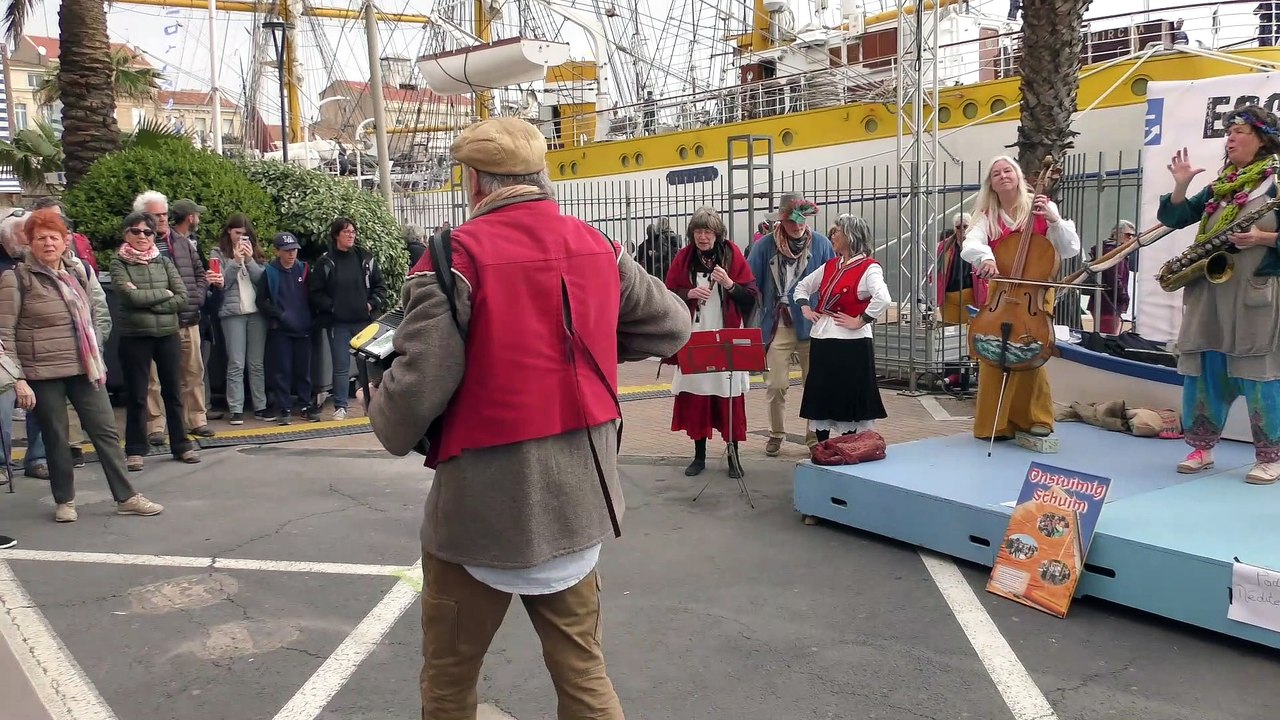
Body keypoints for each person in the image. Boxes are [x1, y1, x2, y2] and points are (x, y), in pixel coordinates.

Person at [365, 116, 690, 719]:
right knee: (584, 674)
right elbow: (672, 325)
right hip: (579, 501)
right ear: (542, 174)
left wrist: (379, 408)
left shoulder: (453, 258)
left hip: (481, 511)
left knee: (449, 681)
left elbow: (418, 387)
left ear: (474, 182)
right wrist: (589, 343)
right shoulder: (599, 245)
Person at [0, 209, 163, 521]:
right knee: (57, 438)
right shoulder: (16, 278)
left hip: (85, 367)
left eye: (54, 237)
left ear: (65, 241)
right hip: (43, 372)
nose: (48, 243)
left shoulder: (79, 271)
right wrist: (17, 379)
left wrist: (96, 349)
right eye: (40, 238)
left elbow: (94, 314)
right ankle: (65, 501)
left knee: (106, 433)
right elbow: (4, 333)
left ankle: (127, 496)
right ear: (30, 243)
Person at [1156, 105, 1280, 484]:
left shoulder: (1276, 184)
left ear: (1262, 139)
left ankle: (1270, 456)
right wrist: (1181, 185)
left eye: (1239, 131)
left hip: (1253, 293)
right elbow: (1175, 218)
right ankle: (1201, 448)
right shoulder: (1222, 185)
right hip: (1209, 292)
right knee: (1205, 369)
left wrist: (1262, 238)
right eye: (1228, 133)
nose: (1230, 138)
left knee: (1259, 373)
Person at [961, 155, 1081, 440]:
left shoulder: (1041, 207)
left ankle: (1035, 418)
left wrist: (1054, 220)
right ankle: (995, 424)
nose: (1003, 176)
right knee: (992, 353)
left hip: (1035, 295)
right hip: (1001, 293)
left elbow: (1069, 249)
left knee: (1029, 352)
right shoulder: (987, 216)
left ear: (1018, 176)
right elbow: (971, 243)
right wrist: (986, 258)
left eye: (1008, 171)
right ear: (991, 183)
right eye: (996, 173)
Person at [664, 207, 757, 478]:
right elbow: (668, 294)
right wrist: (689, 293)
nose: (702, 237)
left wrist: (729, 283)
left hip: (726, 336)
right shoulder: (684, 258)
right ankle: (699, 456)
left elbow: (751, 296)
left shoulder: (732, 255)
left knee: (729, 394)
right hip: (696, 335)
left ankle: (733, 456)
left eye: (707, 232)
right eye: (698, 231)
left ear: (717, 233)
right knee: (697, 395)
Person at [110, 212, 201, 471]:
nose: (142, 236)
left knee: (173, 392)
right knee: (137, 395)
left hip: (167, 335)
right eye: (136, 231)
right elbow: (130, 298)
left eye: (148, 232)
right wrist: (164, 294)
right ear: (126, 233)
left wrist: (150, 302)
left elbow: (182, 296)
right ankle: (135, 449)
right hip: (135, 337)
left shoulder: (164, 261)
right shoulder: (118, 263)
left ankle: (181, 445)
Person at [747, 193, 835, 456]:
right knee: (775, 384)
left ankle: (814, 436)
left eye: (801, 220)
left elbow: (832, 281)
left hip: (812, 323)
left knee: (815, 384)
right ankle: (776, 433)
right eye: (791, 221)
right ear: (781, 221)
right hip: (777, 323)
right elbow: (750, 282)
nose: (797, 226)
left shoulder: (821, 244)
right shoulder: (765, 246)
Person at [795, 214, 891, 441]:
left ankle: (846, 447)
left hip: (851, 344)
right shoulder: (831, 265)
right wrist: (806, 308)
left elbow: (883, 298)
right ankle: (823, 448)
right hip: (823, 339)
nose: (832, 235)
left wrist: (861, 320)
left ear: (851, 235)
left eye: (837, 231)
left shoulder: (869, 268)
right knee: (823, 397)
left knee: (848, 397)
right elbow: (802, 287)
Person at [308, 217, 388, 420]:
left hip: (364, 322)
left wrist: (371, 304)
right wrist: (332, 308)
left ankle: (369, 404)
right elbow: (315, 293)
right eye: (346, 232)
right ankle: (340, 406)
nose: (351, 235)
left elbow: (380, 286)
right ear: (336, 235)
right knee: (341, 366)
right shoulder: (326, 262)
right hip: (338, 324)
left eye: (353, 231)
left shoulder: (365, 258)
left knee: (367, 367)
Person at [211, 215, 271, 424]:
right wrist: (236, 262)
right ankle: (236, 409)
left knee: (256, 363)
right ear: (229, 231)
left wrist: (250, 260)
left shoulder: (256, 252)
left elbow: (263, 281)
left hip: (256, 313)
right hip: (232, 313)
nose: (241, 238)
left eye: (245, 235)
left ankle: (260, 406)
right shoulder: (218, 253)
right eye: (237, 233)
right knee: (236, 362)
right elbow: (221, 283)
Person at [257, 233, 319, 425]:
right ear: (277, 252)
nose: (291, 254)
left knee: (304, 371)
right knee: (282, 370)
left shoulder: (303, 269)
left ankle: (305, 405)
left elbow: (313, 296)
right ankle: (285, 408)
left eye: (294, 250)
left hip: (303, 327)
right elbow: (261, 301)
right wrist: (280, 315)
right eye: (287, 251)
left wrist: (312, 319)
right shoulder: (270, 273)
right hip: (281, 329)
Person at [1087, 221, 1133, 334]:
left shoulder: (1108, 250)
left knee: (1104, 335)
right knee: (1108, 338)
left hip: (1104, 302)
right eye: (1128, 234)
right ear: (1116, 234)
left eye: (1132, 235)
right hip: (1108, 304)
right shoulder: (1113, 252)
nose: (1130, 238)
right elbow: (1114, 278)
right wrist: (1123, 297)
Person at [937, 212, 974, 325]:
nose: (962, 230)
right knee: (949, 328)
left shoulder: (978, 245)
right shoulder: (944, 246)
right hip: (949, 296)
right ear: (954, 228)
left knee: (970, 327)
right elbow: (936, 268)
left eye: (965, 226)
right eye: (958, 227)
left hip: (971, 295)